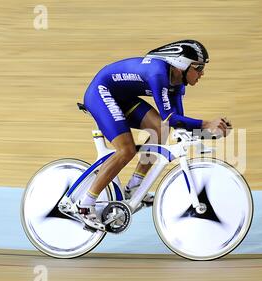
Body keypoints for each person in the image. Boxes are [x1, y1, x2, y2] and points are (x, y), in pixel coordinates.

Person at [77, 39, 232, 225]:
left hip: (122, 97)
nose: (202, 73)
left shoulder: (178, 83)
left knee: (161, 128)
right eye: (198, 67)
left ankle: (134, 187)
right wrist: (207, 124)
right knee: (126, 151)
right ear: (181, 65)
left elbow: (176, 123)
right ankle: (85, 204)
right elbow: (171, 118)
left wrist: (211, 133)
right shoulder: (158, 74)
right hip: (101, 93)